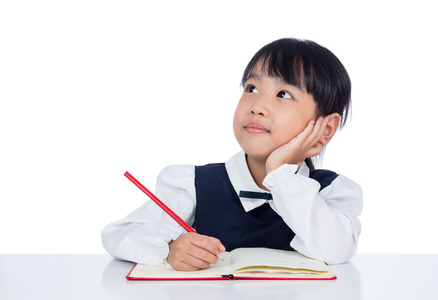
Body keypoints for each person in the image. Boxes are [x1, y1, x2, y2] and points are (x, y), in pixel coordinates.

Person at [102, 38, 363, 271]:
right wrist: (169, 249)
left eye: (283, 94)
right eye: (251, 88)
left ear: (325, 128)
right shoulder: (194, 185)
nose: (258, 106)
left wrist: (280, 173)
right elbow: (118, 235)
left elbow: (336, 249)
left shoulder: (331, 192)